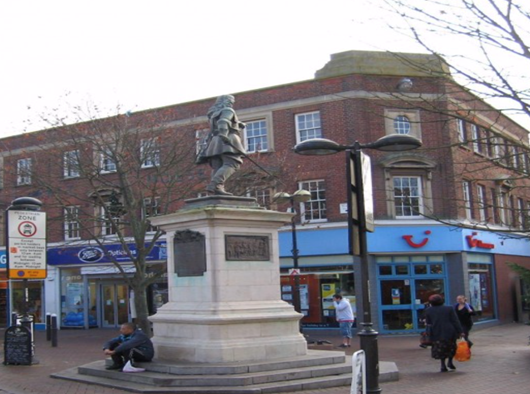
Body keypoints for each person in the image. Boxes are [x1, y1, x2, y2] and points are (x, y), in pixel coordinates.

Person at [196, 94, 246, 196]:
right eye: (231, 101)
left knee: (217, 167)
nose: (232, 103)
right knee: (232, 163)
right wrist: (224, 134)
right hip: (227, 139)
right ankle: (214, 184)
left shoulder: (214, 114)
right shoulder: (228, 110)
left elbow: (221, 120)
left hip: (214, 142)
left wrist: (238, 123)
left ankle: (217, 189)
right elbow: (223, 121)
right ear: (226, 102)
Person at [424, 294, 464, 373]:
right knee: (451, 346)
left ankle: (443, 365)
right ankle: (450, 361)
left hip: (436, 331)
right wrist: (460, 331)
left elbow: (428, 322)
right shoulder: (449, 308)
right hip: (449, 331)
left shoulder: (428, 310)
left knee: (440, 348)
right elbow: (455, 321)